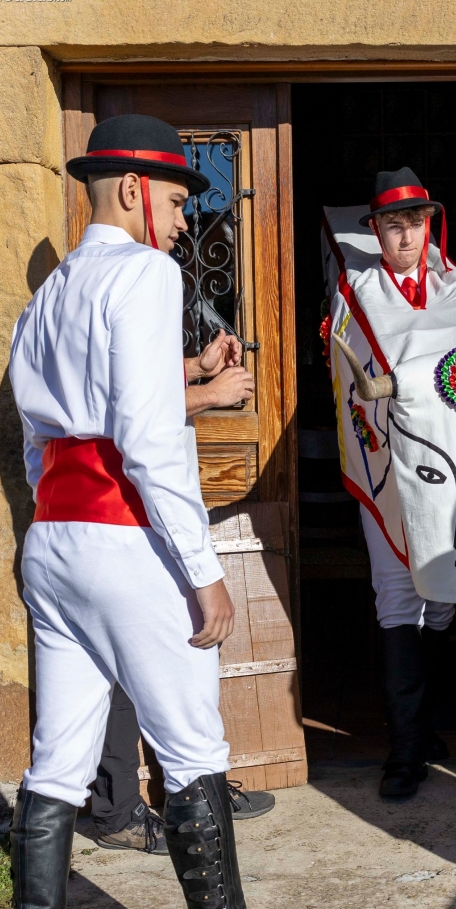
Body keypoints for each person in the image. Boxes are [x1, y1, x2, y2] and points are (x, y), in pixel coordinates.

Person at [7, 113, 319, 909]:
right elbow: (147, 437)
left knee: (55, 758)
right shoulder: (147, 273)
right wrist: (202, 572)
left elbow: (41, 436)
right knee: (191, 747)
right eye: (181, 202)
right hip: (128, 541)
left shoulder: (54, 289)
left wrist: (64, 516)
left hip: (56, 536)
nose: (186, 222)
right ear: (137, 190)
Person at [323, 167, 456, 800]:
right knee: (399, 594)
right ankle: (404, 752)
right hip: (392, 466)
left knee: (445, 595)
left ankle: (426, 730)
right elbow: (353, 376)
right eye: (393, 226)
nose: (406, 238)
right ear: (375, 231)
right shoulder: (358, 291)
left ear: (431, 225)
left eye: (415, 224)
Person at [92, 340, 274, 856]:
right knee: (128, 666)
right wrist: (210, 393)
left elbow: (137, 377)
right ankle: (120, 811)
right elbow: (121, 404)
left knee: (169, 655)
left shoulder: (129, 283)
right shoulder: (127, 280)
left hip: (139, 511)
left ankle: (194, 795)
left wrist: (195, 368)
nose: (172, 250)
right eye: (168, 247)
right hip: (122, 510)